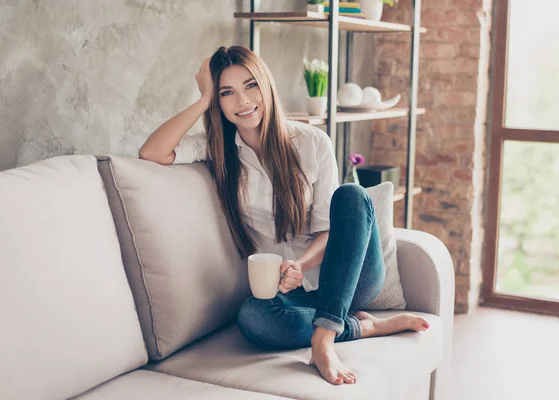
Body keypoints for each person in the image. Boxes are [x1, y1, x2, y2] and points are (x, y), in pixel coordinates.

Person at [139, 45, 429, 386]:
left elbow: (330, 230)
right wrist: (203, 98)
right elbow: (152, 152)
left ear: (266, 85)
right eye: (226, 93)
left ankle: (323, 340)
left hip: (350, 280)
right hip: (289, 294)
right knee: (254, 318)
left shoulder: (312, 142)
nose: (243, 101)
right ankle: (360, 326)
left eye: (250, 86)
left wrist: (301, 265)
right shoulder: (216, 149)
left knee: (352, 195)